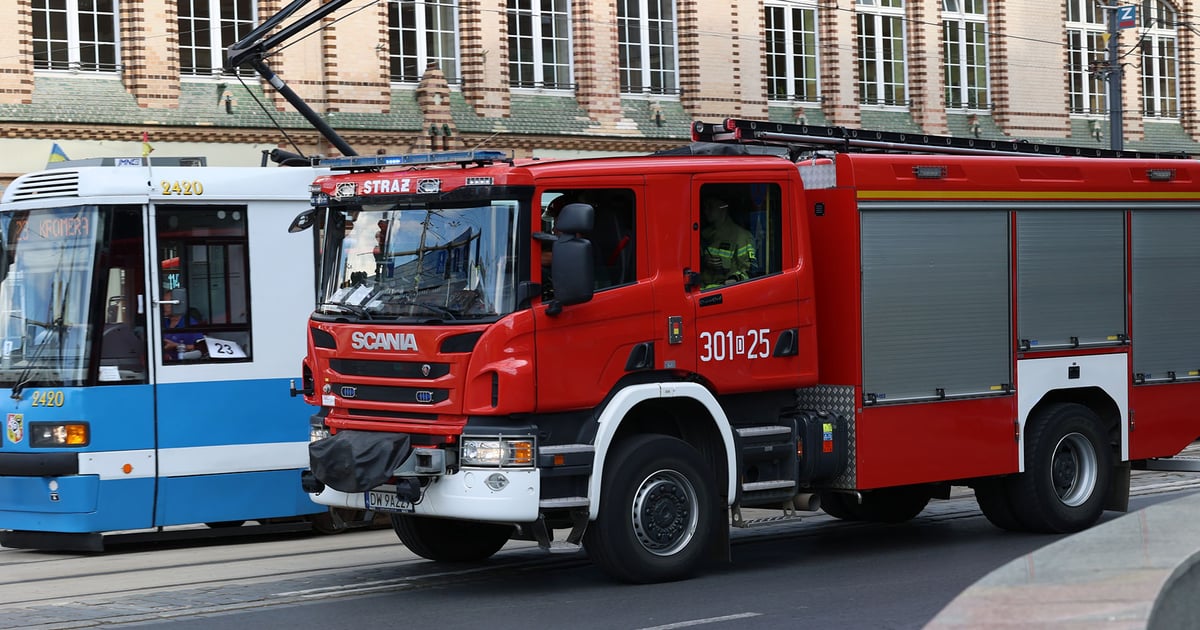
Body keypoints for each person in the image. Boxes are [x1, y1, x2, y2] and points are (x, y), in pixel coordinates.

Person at [699, 196, 755, 287]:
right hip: (700, 290)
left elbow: (750, 272)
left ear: (723, 207)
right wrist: (705, 262)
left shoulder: (742, 237)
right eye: (705, 207)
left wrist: (734, 279)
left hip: (724, 294)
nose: (706, 211)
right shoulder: (703, 235)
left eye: (710, 206)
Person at [162, 289, 204, 361]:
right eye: (163, 303)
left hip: (182, 365)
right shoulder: (162, 322)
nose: (163, 307)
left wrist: (177, 346)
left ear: (178, 305)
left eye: (167, 303)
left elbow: (201, 349)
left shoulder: (190, 323)